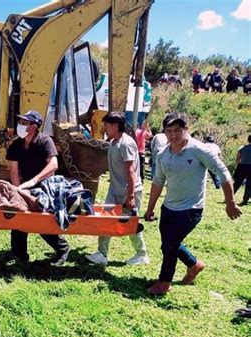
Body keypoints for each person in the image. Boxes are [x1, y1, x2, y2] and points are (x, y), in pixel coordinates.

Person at [144, 113, 241, 295]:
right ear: (164, 132)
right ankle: (194, 264)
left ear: (186, 130)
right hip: (168, 208)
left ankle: (164, 283)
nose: (174, 135)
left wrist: (230, 203)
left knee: (170, 246)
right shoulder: (163, 154)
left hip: (191, 209)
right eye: (169, 131)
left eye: (178, 130)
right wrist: (150, 208)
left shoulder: (199, 149)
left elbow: (223, 173)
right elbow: (157, 182)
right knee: (169, 244)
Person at [6, 110, 70, 266]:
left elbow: (53, 165)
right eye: (20, 122)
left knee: (41, 221)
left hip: (45, 187)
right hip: (24, 187)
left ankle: (62, 248)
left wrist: (34, 181)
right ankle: (19, 255)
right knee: (19, 217)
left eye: (24, 123)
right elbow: (13, 170)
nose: (20, 125)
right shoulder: (16, 144)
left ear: (33, 127)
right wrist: (17, 191)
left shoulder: (44, 141)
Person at [86, 112, 149, 266]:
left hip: (128, 191)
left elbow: (131, 171)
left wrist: (131, 195)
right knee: (106, 220)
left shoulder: (126, 144)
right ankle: (102, 253)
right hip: (114, 190)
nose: (104, 129)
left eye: (106, 125)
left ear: (115, 126)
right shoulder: (113, 142)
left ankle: (142, 254)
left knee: (130, 222)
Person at [233, 135, 251, 206]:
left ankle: (229, 197)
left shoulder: (242, 148)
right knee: (249, 184)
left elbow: (238, 158)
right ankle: (245, 200)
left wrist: (238, 165)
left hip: (242, 166)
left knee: (237, 182)